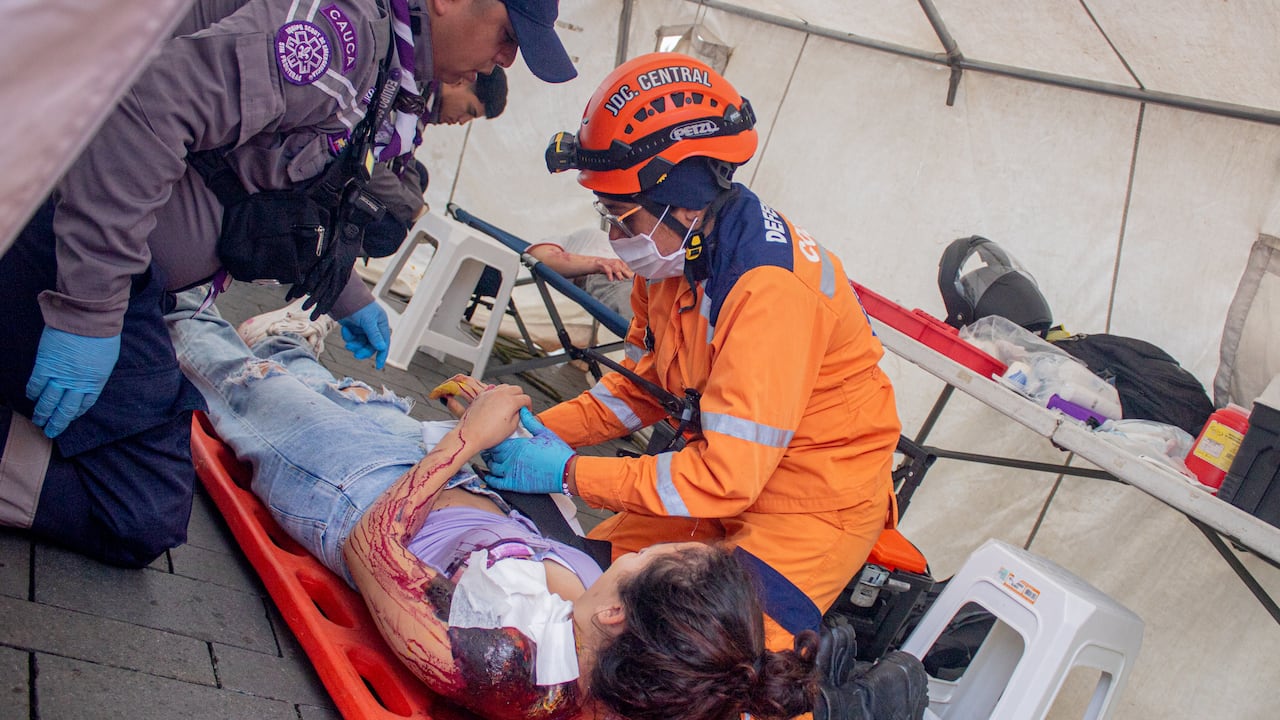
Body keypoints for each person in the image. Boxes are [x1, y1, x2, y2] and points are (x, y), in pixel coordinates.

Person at [0, 0, 576, 568]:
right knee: (137, 507)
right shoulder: (338, 38)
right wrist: (86, 312)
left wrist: (349, 296)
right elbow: (142, 112)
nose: (504, 60)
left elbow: (283, 191)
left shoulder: (384, 72)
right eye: (507, 35)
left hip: (118, 269)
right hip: (69, 244)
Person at [165, 296, 824, 720]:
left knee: (220, 366)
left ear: (618, 611)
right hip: (448, 487)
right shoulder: (639, 665)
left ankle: (181, 295)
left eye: (645, 556)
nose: (631, 549)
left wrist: (467, 441)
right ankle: (286, 348)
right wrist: (507, 450)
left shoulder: (507, 667)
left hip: (353, 489)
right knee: (348, 395)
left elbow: (373, 549)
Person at [481, 52, 904, 652]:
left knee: (709, 662)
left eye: (621, 215)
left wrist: (569, 472)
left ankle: (845, 701)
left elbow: (726, 479)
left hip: (811, 505)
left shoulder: (768, 290)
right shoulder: (672, 257)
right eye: (606, 213)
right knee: (593, 583)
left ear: (683, 202)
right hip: (718, 472)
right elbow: (638, 390)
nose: (614, 236)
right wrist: (532, 432)